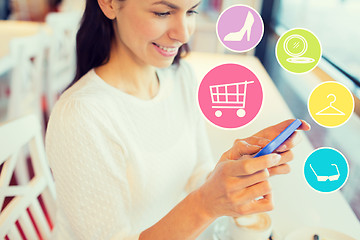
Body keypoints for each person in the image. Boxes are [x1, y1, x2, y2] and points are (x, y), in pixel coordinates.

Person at [45, 0, 311, 239]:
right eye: (162, 12)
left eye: (192, 10)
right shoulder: (81, 116)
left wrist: (228, 176)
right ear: (110, 4)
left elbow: (197, 174)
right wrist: (206, 204)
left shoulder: (179, 76)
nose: (183, 34)